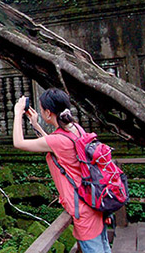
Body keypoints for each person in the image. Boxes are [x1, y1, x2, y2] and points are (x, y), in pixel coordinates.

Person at [12, 88, 111, 253]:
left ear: (48, 113)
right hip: (95, 202)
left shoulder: (58, 140)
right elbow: (55, 146)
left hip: (84, 211)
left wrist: (17, 113)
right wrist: (36, 125)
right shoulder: (76, 129)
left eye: (42, 109)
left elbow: (19, 143)